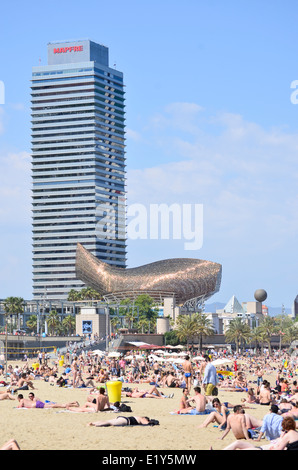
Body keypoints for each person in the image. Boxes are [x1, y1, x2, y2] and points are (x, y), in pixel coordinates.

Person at [87, 416, 158, 427]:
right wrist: (151, 423)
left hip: (123, 418)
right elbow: (147, 424)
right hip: (126, 421)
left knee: (108, 421)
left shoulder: (138, 416)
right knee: (110, 423)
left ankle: (93, 422)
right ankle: (96, 425)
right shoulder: (142, 418)